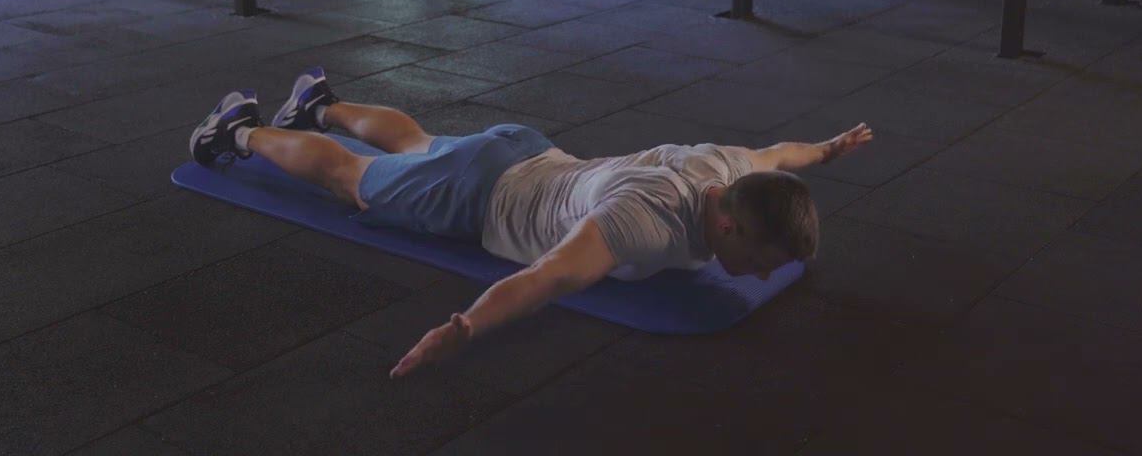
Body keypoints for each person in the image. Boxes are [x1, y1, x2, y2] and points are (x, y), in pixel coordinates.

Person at [189, 67, 873, 378]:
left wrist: (827, 151)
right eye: (761, 262)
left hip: (528, 150)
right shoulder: (645, 224)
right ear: (728, 227)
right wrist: (463, 329)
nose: (761, 277)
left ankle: (319, 103)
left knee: (419, 143)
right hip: (478, 196)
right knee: (353, 180)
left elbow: (780, 155)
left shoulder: (729, 169)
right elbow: (548, 277)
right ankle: (237, 131)